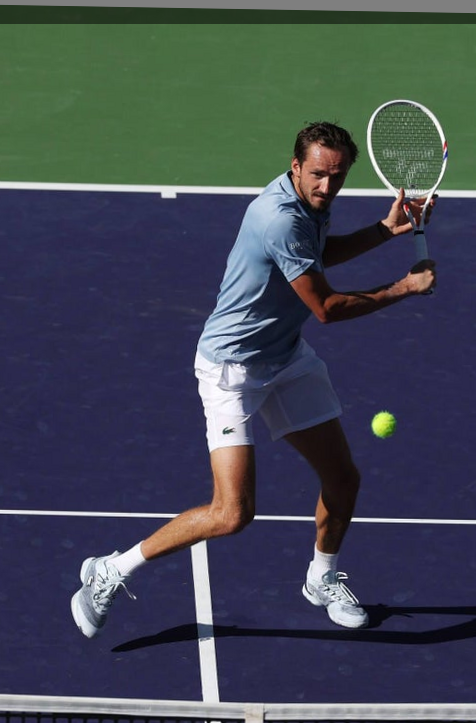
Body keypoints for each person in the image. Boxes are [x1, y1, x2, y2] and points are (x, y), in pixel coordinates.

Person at [71, 120, 437, 637]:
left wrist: (382, 231)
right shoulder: (278, 217)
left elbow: (315, 254)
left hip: (285, 357)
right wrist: (404, 288)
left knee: (342, 478)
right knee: (232, 513)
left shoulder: (308, 204)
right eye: (317, 174)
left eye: (337, 176)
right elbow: (327, 308)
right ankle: (111, 569)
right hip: (232, 371)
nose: (327, 186)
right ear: (295, 166)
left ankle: (321, 578)